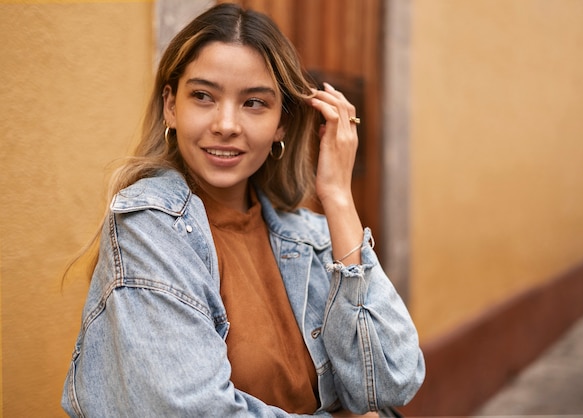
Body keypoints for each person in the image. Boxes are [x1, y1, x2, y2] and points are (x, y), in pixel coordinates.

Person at [61, 3, 425, 417]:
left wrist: (338, 197)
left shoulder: (305, 235)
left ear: (282, 123)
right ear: (171, 106)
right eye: (203, 96)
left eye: (254, 103)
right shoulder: (149, 226)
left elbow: (390, 382)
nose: (227, 124)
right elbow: (192, 410)